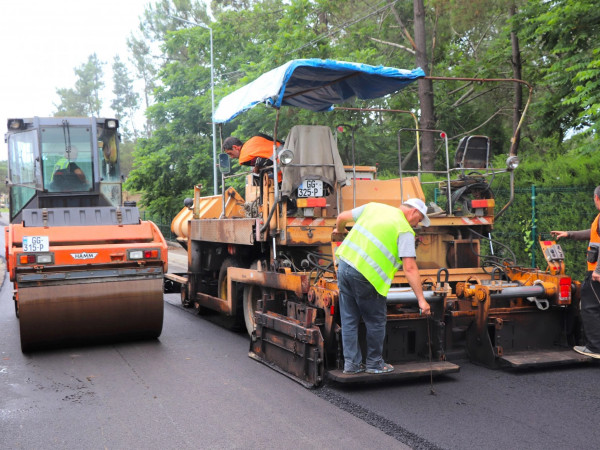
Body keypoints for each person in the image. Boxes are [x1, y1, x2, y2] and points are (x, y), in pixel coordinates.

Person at [334, 198, 432, 374]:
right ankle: (374, 364)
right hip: (366, 277)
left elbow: (341, 217)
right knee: (376, 321)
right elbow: (409, 268)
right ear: (414, 212)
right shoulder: (405, 231)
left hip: (344, 266)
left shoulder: (374, 207)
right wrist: (421, 300)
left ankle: (352, 365)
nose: (417, 225)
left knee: (349, 320)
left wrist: (339, 232)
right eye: (419, 220)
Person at [551, 185, 600, 359]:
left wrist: (598, 271)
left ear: (596, 198)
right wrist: (569, 233)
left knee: (590, 308)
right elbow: (594, 233)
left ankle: (595, 348)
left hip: (596, 272)